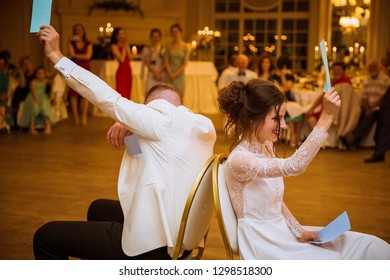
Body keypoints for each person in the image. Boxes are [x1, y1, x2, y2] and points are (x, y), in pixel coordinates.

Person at [33, 25, 216, 260]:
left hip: (156, 244)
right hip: (183, 235)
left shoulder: (158, 120)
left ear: (148, 108)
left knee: (46, 237)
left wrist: (56, 56)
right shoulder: (201, 126)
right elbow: (145, 161)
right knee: (97, 208)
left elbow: (105, 96)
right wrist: (131, 133)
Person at [218, 78, 390, 260]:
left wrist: (300, 231)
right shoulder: (240, 160)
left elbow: (275, 202)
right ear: (253, 120)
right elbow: (295, 165)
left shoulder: (266, 145)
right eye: (276, 118)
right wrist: (327, 117)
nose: (284, 125)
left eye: (284, 117)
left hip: (282, 233)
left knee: (371, 246)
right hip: (265, 245)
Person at [306, 62, 360, 149]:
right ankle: (320, 141)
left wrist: (312, 108)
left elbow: (323, 96)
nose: (336, 72)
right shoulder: (336, 82)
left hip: (333, 112)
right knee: (309, 114)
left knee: (310, 115)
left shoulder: (343, 84)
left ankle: (319, 142)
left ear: (344, 71)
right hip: (336, 111)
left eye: (338, 70)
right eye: (334, 70)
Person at [340, 60, 390, 149]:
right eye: (370, 67)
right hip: (368, 106)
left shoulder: (385, 80)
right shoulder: (366, 80)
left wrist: (373, 108)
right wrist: (367, 108)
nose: (372, 69)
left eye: (374, 66)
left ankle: (352, 138)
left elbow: (383, 97)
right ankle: (348, 134)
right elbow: (364, 97)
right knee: (357, 112)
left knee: (372, 115)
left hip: (381, 107)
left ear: (379, 68)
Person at [271, 56, 303, 147]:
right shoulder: (273, 76)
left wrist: (283, 76)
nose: (284, 68)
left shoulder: (289, 76)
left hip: (288, 99)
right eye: (282, 66)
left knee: (299, 109)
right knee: (289, 110)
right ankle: (293, 136)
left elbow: (287, 88)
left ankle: (297, 135)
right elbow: (282, 89)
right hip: (277, 100)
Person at [364, 56, 390, 163]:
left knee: (387, 123)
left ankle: (379, 152)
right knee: (385, 122)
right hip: (379, 106)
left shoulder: (385, 78)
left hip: (382, 105)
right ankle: (379, 152)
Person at [67, 23, 93, 125]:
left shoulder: (88, 43)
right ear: (74, 31)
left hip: (86, 69)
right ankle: (76, 117)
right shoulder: (71, 43)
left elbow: (88, 56)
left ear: (83, 31)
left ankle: (84, 117)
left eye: (80, 29)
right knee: (74, 94)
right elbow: (72, 54)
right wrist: (69, 43)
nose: (78, 31)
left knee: (85, 94)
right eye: (76, 29)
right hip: (74, 69)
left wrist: (76, 55)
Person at [18, 66, 54, 134]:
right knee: (35, 108)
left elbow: (53, 79)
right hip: (33, 97)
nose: (41, 75)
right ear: (36, 74)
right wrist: (38, 103)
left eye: (43, 73)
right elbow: (34, 94)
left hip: (43, 97)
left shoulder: (45, 81)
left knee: (45, 107)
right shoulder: (33, 82)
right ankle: (31, 127)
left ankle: (48, 126)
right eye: (39, 73)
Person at [163, 23, 189, 96]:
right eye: (173, 32)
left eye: (176, 31)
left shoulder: (186, 47)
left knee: (180, 97)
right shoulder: (168, 46)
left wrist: (175, 74)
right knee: (168, 96)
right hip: (169, 75)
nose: (174, 33)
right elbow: (166, 61)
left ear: (180, 32)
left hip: (179, 76)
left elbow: (185, 63)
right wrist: (170, 73)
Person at [110, 27, 132, 99]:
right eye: (120, 34)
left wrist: (126, 46)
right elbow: (122, 59)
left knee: (128, 92)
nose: (122, 36)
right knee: (121, 93)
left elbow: (130, 58)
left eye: (123, 33)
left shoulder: (126, 45)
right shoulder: (114, 46)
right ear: (116, 36)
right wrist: (124, 47)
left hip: (128, 71)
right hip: (121, 72)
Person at [141, 28, 165, 93]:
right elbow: (146, 62)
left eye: (157, 36)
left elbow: (165, 62)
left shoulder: (163, 49)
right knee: (150, 92)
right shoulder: (147, 49)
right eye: (154, 36)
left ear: (160, 38)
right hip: (151, 75)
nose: (155, 38)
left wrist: (158, 73)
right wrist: (155, 73)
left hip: (160, 75)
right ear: (151, 37)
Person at [0, 53, 10, 133]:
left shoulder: (4, 77)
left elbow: (5, 91)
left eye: (2, 64)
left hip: (1, 99)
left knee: (2, 105)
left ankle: (2, 122)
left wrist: (3, 96)